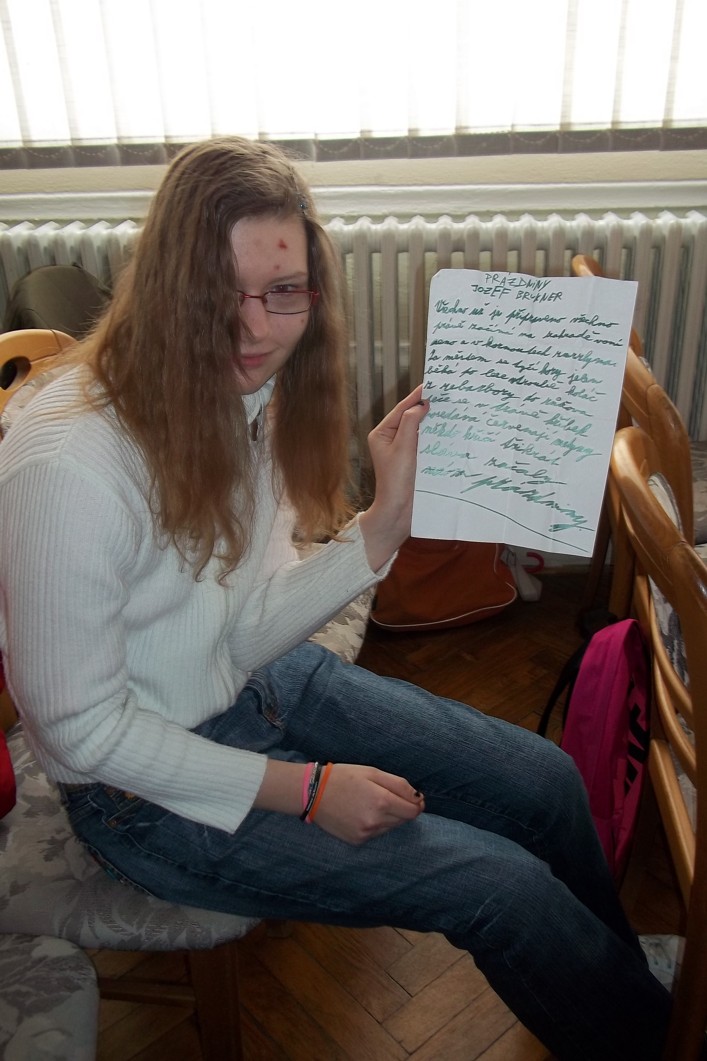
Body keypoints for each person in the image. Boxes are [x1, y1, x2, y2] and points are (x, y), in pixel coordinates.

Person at [0, 136, 671, 1060]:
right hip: (139, 792)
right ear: (159, 285)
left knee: (547, 782)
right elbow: (79, 734)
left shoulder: (249, 395)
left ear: (312, 292)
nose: (251, 330)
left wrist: (384, 522)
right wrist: (306, 790)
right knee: (500, 888)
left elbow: (240, 629)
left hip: (248, 683)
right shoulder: (67, 462)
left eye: (282, 291)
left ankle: (619, 988)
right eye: (215, 291)